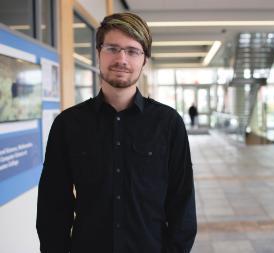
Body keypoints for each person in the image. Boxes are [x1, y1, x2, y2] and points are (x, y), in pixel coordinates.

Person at [36, 12, 197, 253]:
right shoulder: (68, 124)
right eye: (112, 48)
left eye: (133, 51)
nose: (121, 58)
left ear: (144, 60)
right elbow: (53, 206)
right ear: (98, 53)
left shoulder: (168, 123)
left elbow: (182, 204)